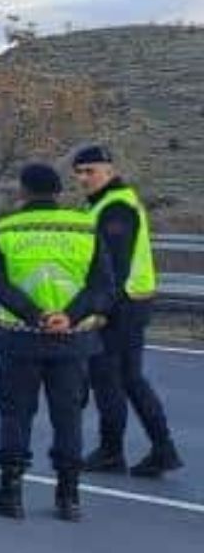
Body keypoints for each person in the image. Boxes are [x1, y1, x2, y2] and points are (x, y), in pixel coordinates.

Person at [0, 162, 114, 521]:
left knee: (15, 414)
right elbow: (102, 286)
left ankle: (11, 493)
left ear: (23, 192)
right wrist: (68, 315)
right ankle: (68, 497)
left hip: (20, 341)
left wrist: (35, 316)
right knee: (68, 417)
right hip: (73, 341)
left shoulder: (4, 229)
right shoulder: (85, 228)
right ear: (58, 193)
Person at [71, 144, 183, 478]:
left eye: (90, 171)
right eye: (78, 172)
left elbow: (114, 266)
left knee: (107, 378)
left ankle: (111, 452)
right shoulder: (105, 203)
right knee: (130, 378)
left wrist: (100, 309)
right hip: (132, 300)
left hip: (122, 303)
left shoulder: (116, 206)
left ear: (110, 170)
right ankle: (163, 449)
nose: (83, 178)